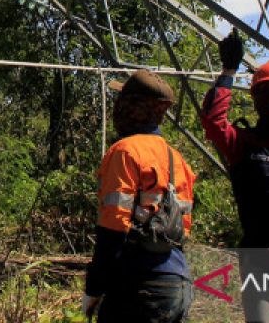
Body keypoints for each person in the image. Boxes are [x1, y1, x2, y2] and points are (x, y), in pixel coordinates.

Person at [200, 31, 269, 323]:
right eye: (264, 91)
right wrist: (228, 72)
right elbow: (212, 120)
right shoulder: (242, 143)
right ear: (255, 99)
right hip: (261, 262)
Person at [83, 70, 195, 322]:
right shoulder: (176, 158)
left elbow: (114, 229)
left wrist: (94, 288)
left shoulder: (125, 151)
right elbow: (182, 231)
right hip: (178, 283)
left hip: (139, 285)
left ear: (131, 107)